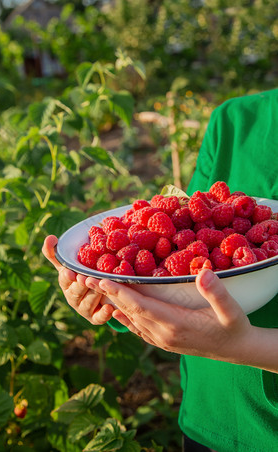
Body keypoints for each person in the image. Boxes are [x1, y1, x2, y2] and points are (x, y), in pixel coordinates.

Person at [42, 88, 278, 452]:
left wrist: (248, 347)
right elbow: (186, 247)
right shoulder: (232, 120)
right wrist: (115, 295)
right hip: (207, 416)